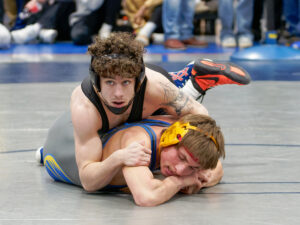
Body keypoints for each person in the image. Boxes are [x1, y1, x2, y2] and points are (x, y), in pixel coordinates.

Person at [36, 32, 249, 204]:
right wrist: (119, 158)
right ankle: (190, 84)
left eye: (126, 83)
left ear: (138, 81)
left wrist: (199, 157)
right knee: (91, 149)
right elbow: (89, 182)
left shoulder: (155, 87)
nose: (118, 93)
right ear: (96, 81)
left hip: (152, 99)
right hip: (90, 131)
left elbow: (200, 117)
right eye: (109, 82)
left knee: (187, 119)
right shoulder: (86, 107)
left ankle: (190, 86)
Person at [38, 113, 225, 206]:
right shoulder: (139, 144)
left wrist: (202, 174)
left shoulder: (180, 128)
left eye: (192, 167)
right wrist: (182, 181)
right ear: (170, 137)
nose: (180, 169)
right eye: (181, 158)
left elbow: (217, 169)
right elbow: (146, 196)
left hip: (91, 132)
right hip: (61, 151)